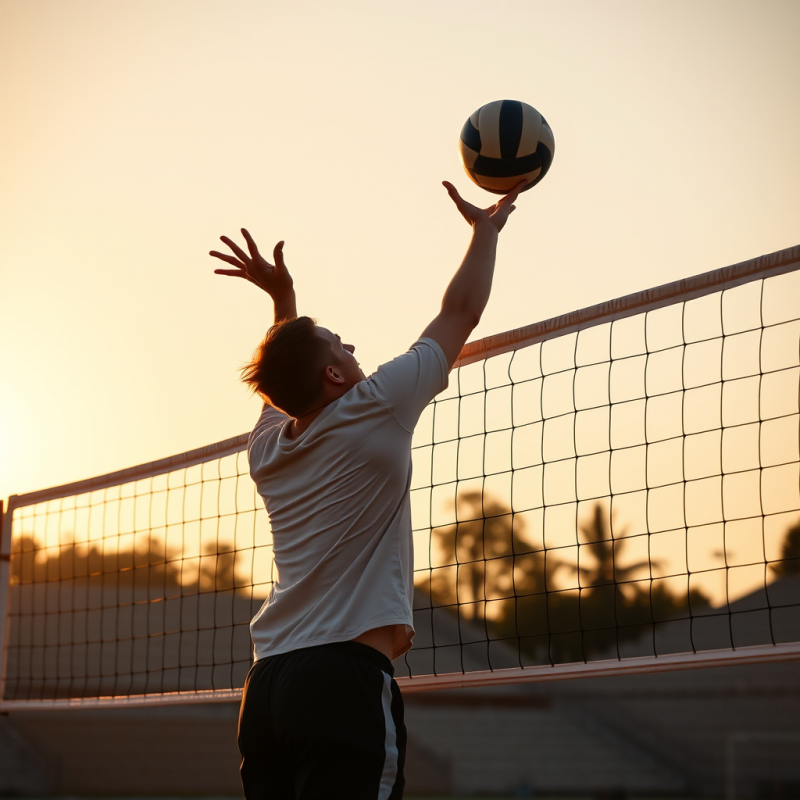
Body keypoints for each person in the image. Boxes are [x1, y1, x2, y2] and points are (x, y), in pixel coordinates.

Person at [210, 179, 526, 800]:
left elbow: (281, 390)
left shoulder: (267, 450)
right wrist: (484, 233)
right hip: (339, 681)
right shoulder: (374, 405)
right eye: (338, 343)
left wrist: (285, 302)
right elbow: (460, 311)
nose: (351, 346)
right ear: (333, 374)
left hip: (268, 686)